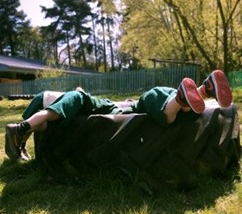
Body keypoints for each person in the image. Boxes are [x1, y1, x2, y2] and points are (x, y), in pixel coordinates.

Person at [5, 69, 232, 161]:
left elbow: (47, 117)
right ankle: (203, 90)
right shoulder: (69, 111)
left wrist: (24, 128)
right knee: (168, 109)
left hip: (124, 106)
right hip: (135, 104)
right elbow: (45, 124)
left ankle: (183, 98)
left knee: (164, 109)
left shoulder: (77, 99)